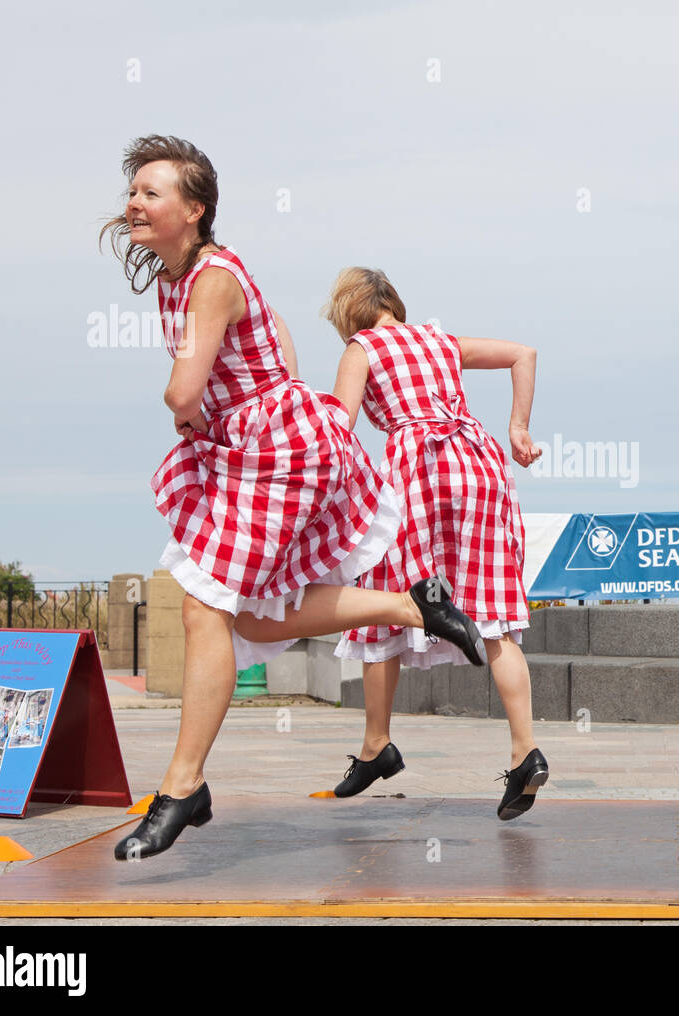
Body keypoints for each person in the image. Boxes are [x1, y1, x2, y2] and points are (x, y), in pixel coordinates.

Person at [100, 136, 487, 860]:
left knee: (204, 604)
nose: (134, 204)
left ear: (195, 208)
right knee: (250, 614)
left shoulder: (212, 276)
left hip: (273, 452)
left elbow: (184, 388)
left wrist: (188, 407)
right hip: (257, 446)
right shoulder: (176, 277)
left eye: (153, 193)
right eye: (133, 192)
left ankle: (183, 786)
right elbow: (276, 337)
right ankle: (414, 605)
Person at [322, 267, 547, 820]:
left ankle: (377, 744)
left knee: (386, 603)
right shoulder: (441, 341)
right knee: (493, 615)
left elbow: (340, 428)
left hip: (414, 473)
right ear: (394, 303)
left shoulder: (362, 348)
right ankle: (526, 752)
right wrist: (518, 428)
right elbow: (525, 353)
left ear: (350, 311)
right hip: (478, 465)